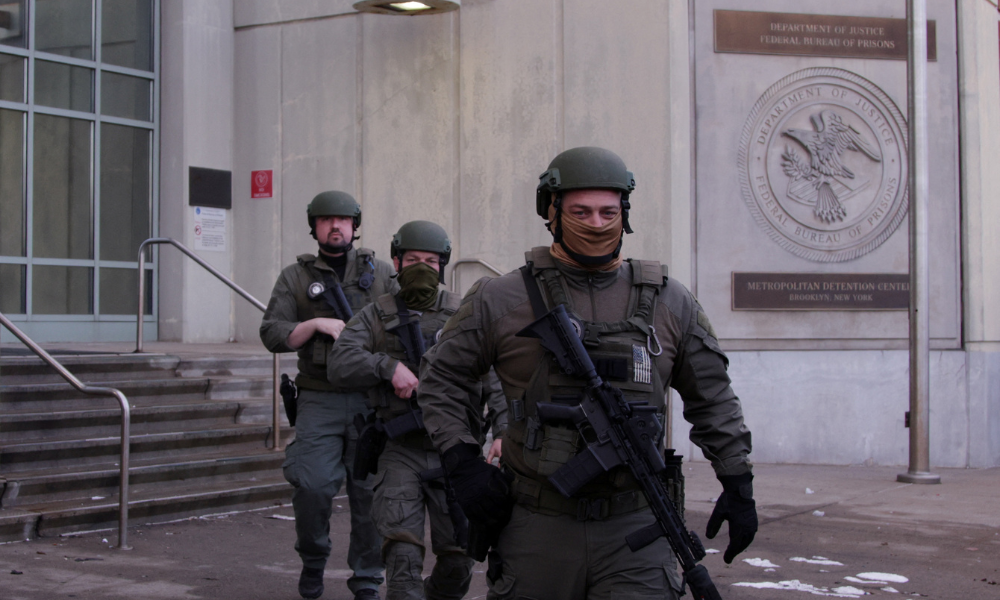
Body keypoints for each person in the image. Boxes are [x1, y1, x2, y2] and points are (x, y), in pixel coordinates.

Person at [417, 147, 757, 599]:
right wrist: (462, 460)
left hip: (636, 525)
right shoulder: (500, 298)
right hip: (537, 524)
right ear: (552, 213)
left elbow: (712, 398)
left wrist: (737, 481)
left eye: (607, 212)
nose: (596, 224)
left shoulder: (671, 302)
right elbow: (441, 379)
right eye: (580, 211)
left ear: (624, 213)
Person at [328, 220, 507, 600]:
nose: (422, 267)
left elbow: (496, 376)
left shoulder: (464, 313)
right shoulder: (377, 315)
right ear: (396, 262)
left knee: (460, 562)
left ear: (443, 265)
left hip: (455, 449)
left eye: (430, 260)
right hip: (400, 449)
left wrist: (505, 432)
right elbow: (340, 363)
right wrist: (386, 366)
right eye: (412, 260)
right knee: (403, 557)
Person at [260, 190, 396, 600]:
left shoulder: (383, 272)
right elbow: (272, 332)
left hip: (372, 398)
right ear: (314, 226)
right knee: (313, 485)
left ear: (355, 226)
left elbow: (410, 319)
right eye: (326, 220)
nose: (335, 226)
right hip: (319, 396)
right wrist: (316, 326)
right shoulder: (296, 277)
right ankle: (313, 560)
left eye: (343, 220)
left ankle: (368, 577)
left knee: (370, 492)